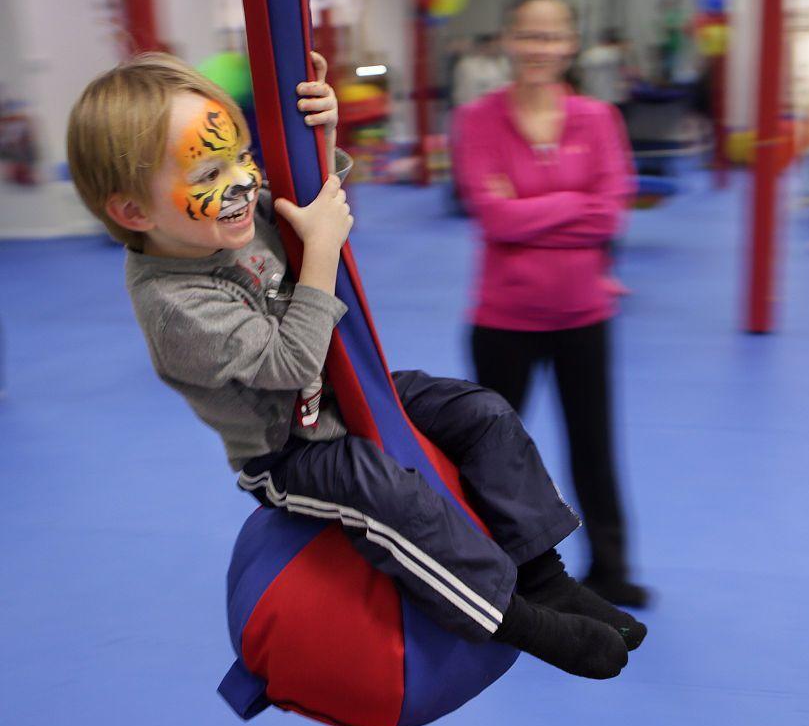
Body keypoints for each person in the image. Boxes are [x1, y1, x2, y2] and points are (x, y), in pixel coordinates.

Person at [65, 52, 645, 681]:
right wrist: (319, 247)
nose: (242, 183)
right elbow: (289, 364)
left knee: (479, 411)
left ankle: (545, 577)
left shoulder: (227, 217)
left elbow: (313, 196)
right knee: (392, 494)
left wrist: (325, 136)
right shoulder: (174, 304)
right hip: (287, 446)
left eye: (241, 156)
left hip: (347, 392)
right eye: (209, 170)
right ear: (134, 214)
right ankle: (515, 619)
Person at [453, 0, 648, 607]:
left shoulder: (598, 120)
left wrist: (532, 209)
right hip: (503, 317)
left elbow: (610, 213)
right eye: (526, 36)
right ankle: (493, 572)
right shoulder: (476, 121)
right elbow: (493, 217)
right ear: (507, 40)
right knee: (494, 457)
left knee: (594, 446)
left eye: (550, 37)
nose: (537, 49)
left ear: (571, 44)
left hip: (583, 316)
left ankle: (611, 570)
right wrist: (572, 202)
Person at [452, 33, 511, 108]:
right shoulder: (467, 65)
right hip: (473, 105)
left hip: (496, 106)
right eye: (493, 46)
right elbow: (465, 91)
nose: (497, 48)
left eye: (498, 46)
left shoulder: (503, 62)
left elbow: (506, 84)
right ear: (483, 46)